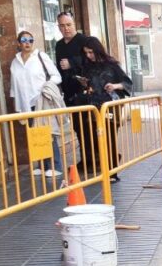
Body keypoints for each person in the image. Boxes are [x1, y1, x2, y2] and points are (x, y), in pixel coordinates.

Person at [74, 36, 131, 182]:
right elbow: (87, 84)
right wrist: (85, 85)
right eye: (86, 53)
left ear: (98, 50)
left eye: (91, 52)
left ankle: (112, 172)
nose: (88, 56)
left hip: (110, 106)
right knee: (96, 139)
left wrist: (115, 86)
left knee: (110, 138)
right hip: (93, 106)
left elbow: (127, 82)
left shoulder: (111, 65)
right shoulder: (87, 66)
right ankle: (104, 167)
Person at [10, 30, 64, 178]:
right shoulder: (15, 61)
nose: (27, 43)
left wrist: (46, 87)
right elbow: (14, 85)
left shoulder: (41, 56)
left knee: (48, 133)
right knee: (35, 134)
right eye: (24, 40)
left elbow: (56, 76)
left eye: (30, 40)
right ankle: (41, 165)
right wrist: (17, 104)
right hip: (26, 103)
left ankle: (55, 165)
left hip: (42, 100)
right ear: (19, 43)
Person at [54, 12, 93, 167]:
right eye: (62, 26)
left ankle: (96, 159)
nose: (66, 29)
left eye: (68, 25)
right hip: (70, 94)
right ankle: (85, 159)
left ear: (74, 24)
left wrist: (72, 63)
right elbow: (59, 69)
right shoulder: (59, 45)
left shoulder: (85, 41)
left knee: (90, 127)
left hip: (88, 92)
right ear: (58, 27)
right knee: (78, 128)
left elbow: (93, 59)